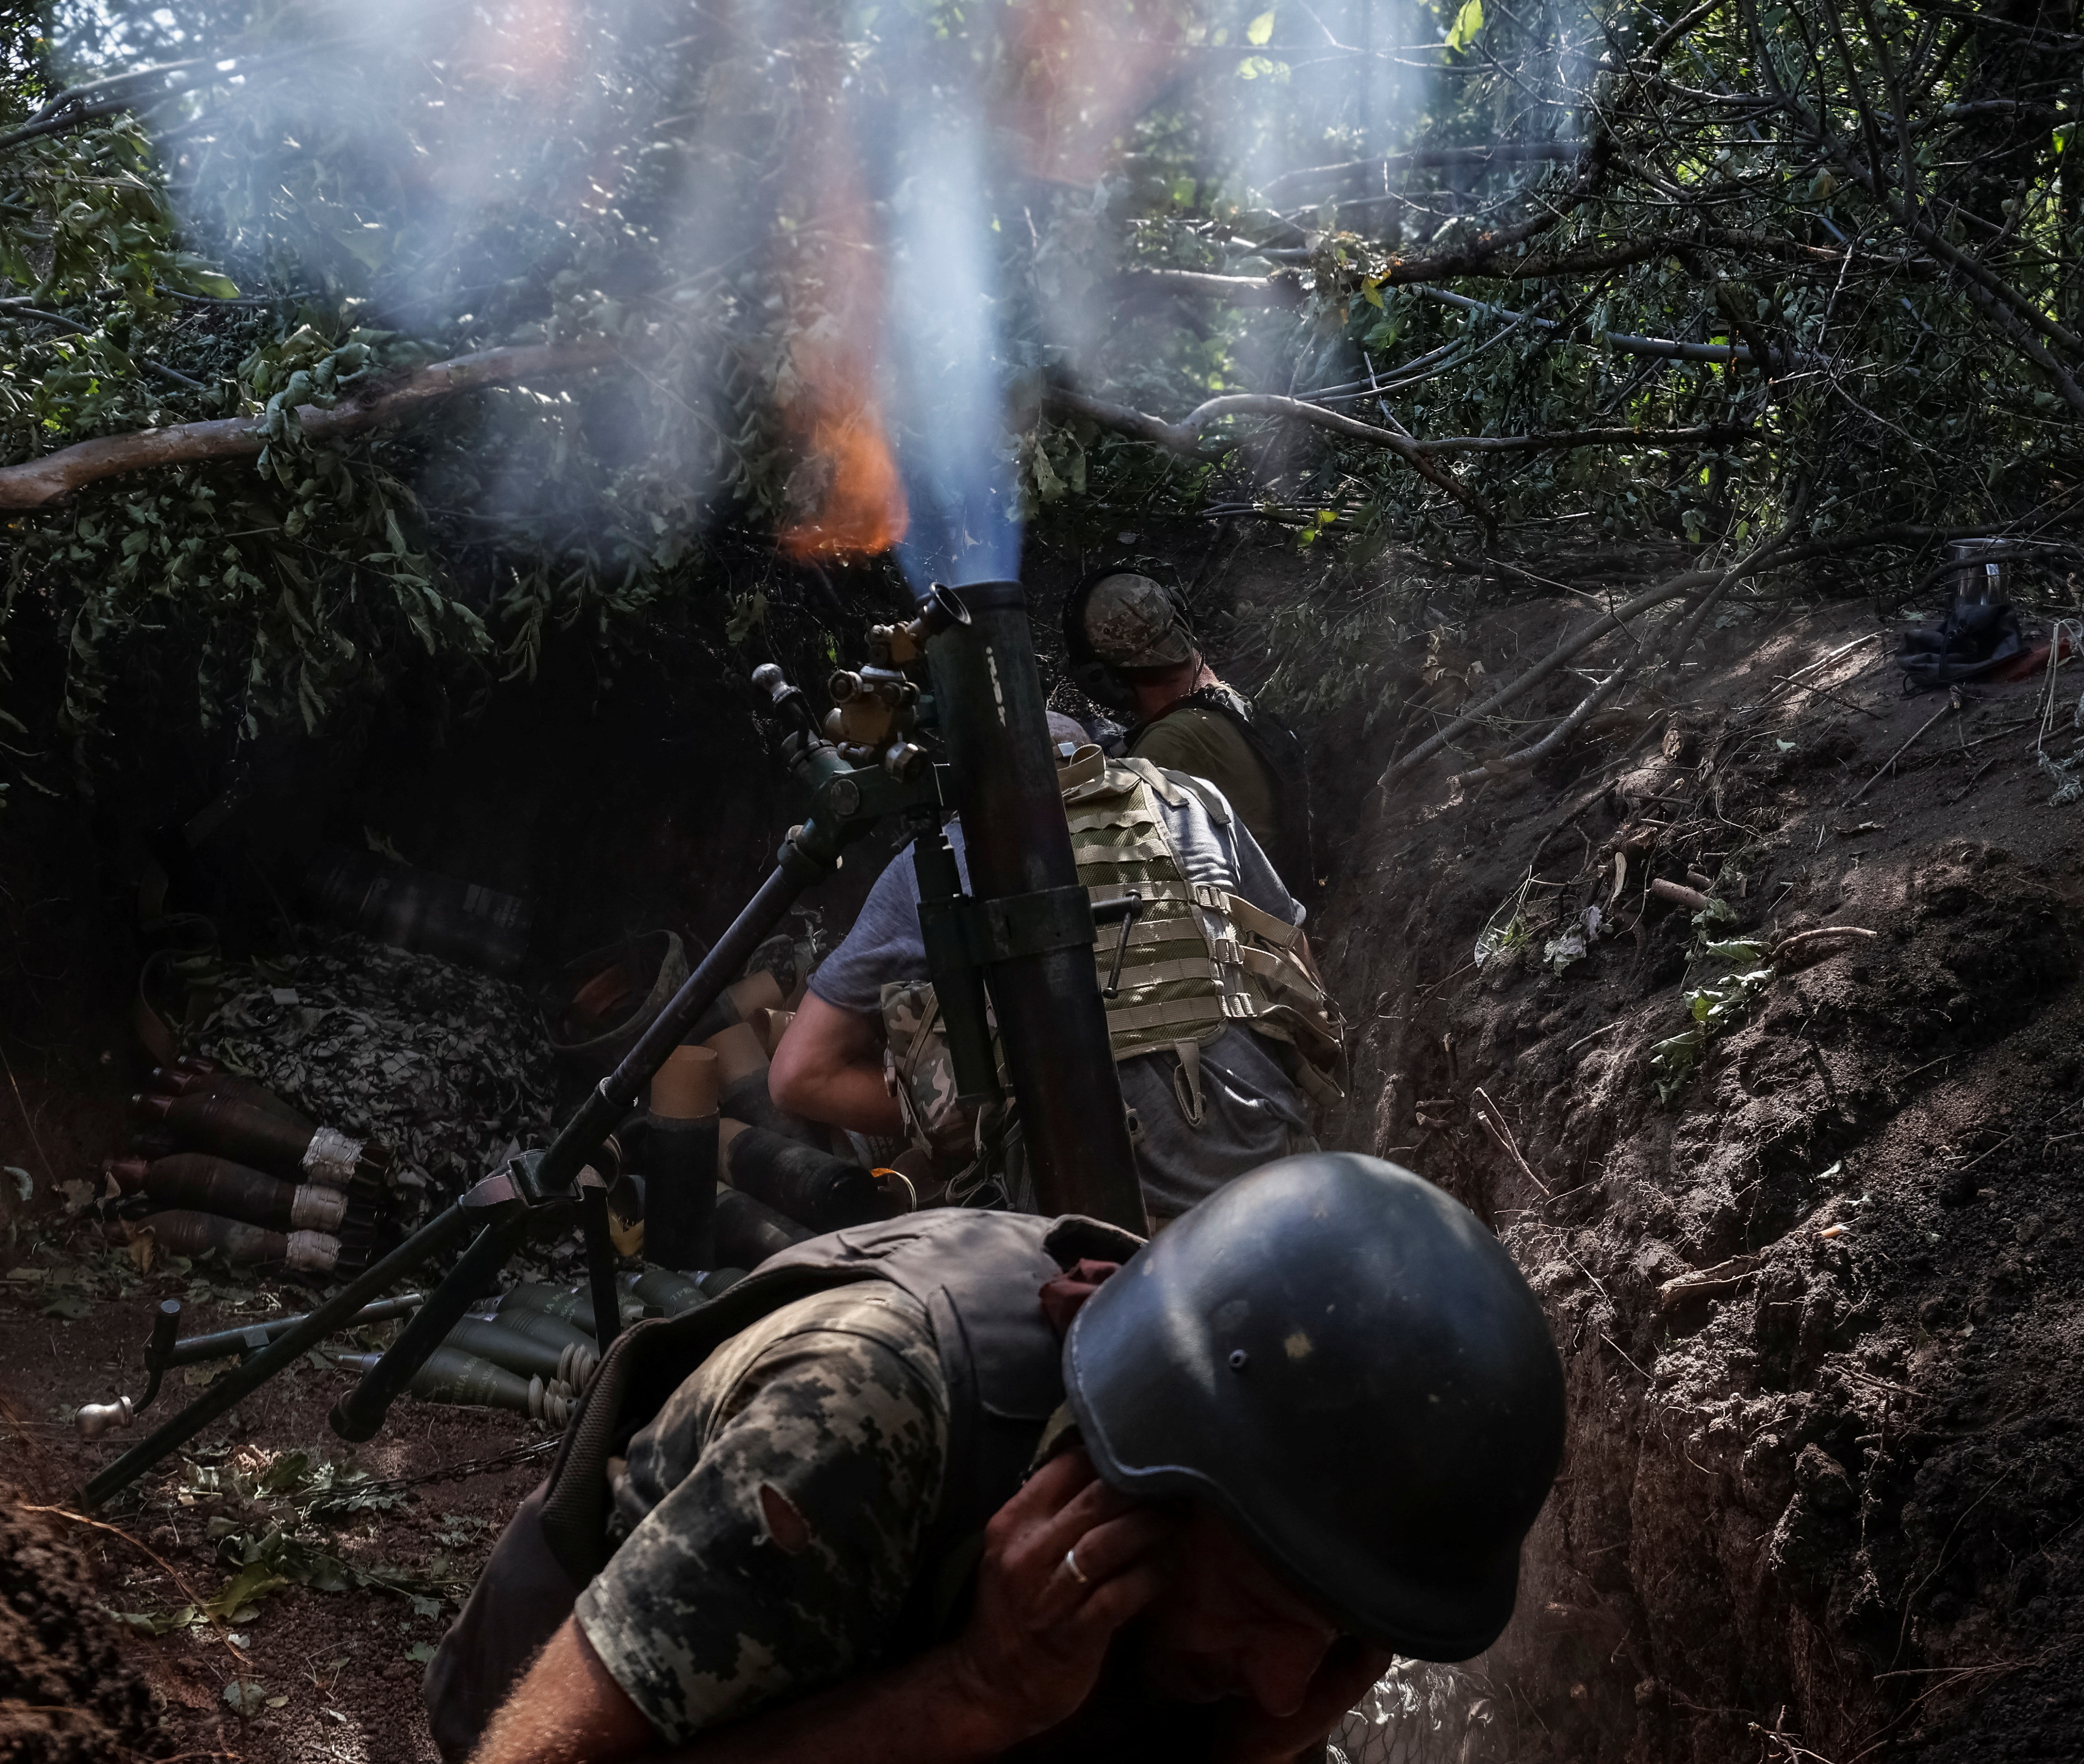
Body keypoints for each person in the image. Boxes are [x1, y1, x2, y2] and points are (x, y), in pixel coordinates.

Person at [434, 1152, 1567, 1764]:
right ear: (1136, 1484)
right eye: (1266, 1613)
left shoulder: (1259, 1545)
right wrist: (970, 1695)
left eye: (1333, 1642)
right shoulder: (860, 1422)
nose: (1286, 1685)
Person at [769, 713, 1339, 1223]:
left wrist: (963, 1107)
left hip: (1103, 1225)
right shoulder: (1194, 804)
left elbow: (799, 1075)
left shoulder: (934, 862)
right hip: (1284, 1178)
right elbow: (1299, 975)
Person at [1061, 569, 1313, 895]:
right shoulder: (1230, 704)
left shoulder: (1167, 747)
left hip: (1251, 935)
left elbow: (1107, 873)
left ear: (1104, 683)